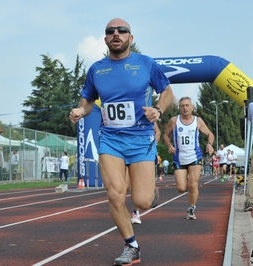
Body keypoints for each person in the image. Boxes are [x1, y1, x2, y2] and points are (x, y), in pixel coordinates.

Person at [69, 18, 173, 266]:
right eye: (110, 31)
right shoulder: (96, 69)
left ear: (130, 37)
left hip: (140, 139)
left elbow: (167, 92)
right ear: (105, 39)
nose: (116, 34)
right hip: (111, 139)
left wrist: (158, 110)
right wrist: (79, 111)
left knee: (142, 201)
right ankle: (131, 245)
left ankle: (150, 192)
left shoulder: (145, 63)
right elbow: (88, 100)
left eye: (122, 30)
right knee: (115, 194)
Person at [163, 96, 214, 220]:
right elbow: (166, 135)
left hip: (194, 156)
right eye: (182, 106)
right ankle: (188, 186)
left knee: (193, 184)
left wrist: (209, 144)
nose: (185, 108)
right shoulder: (174, 120)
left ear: (192, 107)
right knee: (181, 188)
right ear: (179, 108)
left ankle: (191, 208)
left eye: (187, 105)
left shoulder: (198, 120)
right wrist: (169, 145)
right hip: (179, 158)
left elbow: (209, 134)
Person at [131, 122, 161, 225]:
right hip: (124, 148)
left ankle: (136, 212)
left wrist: (154, 143)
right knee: (125, 186)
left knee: (137, 183)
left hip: (144, 151)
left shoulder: (145, 113)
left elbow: (157, 131)